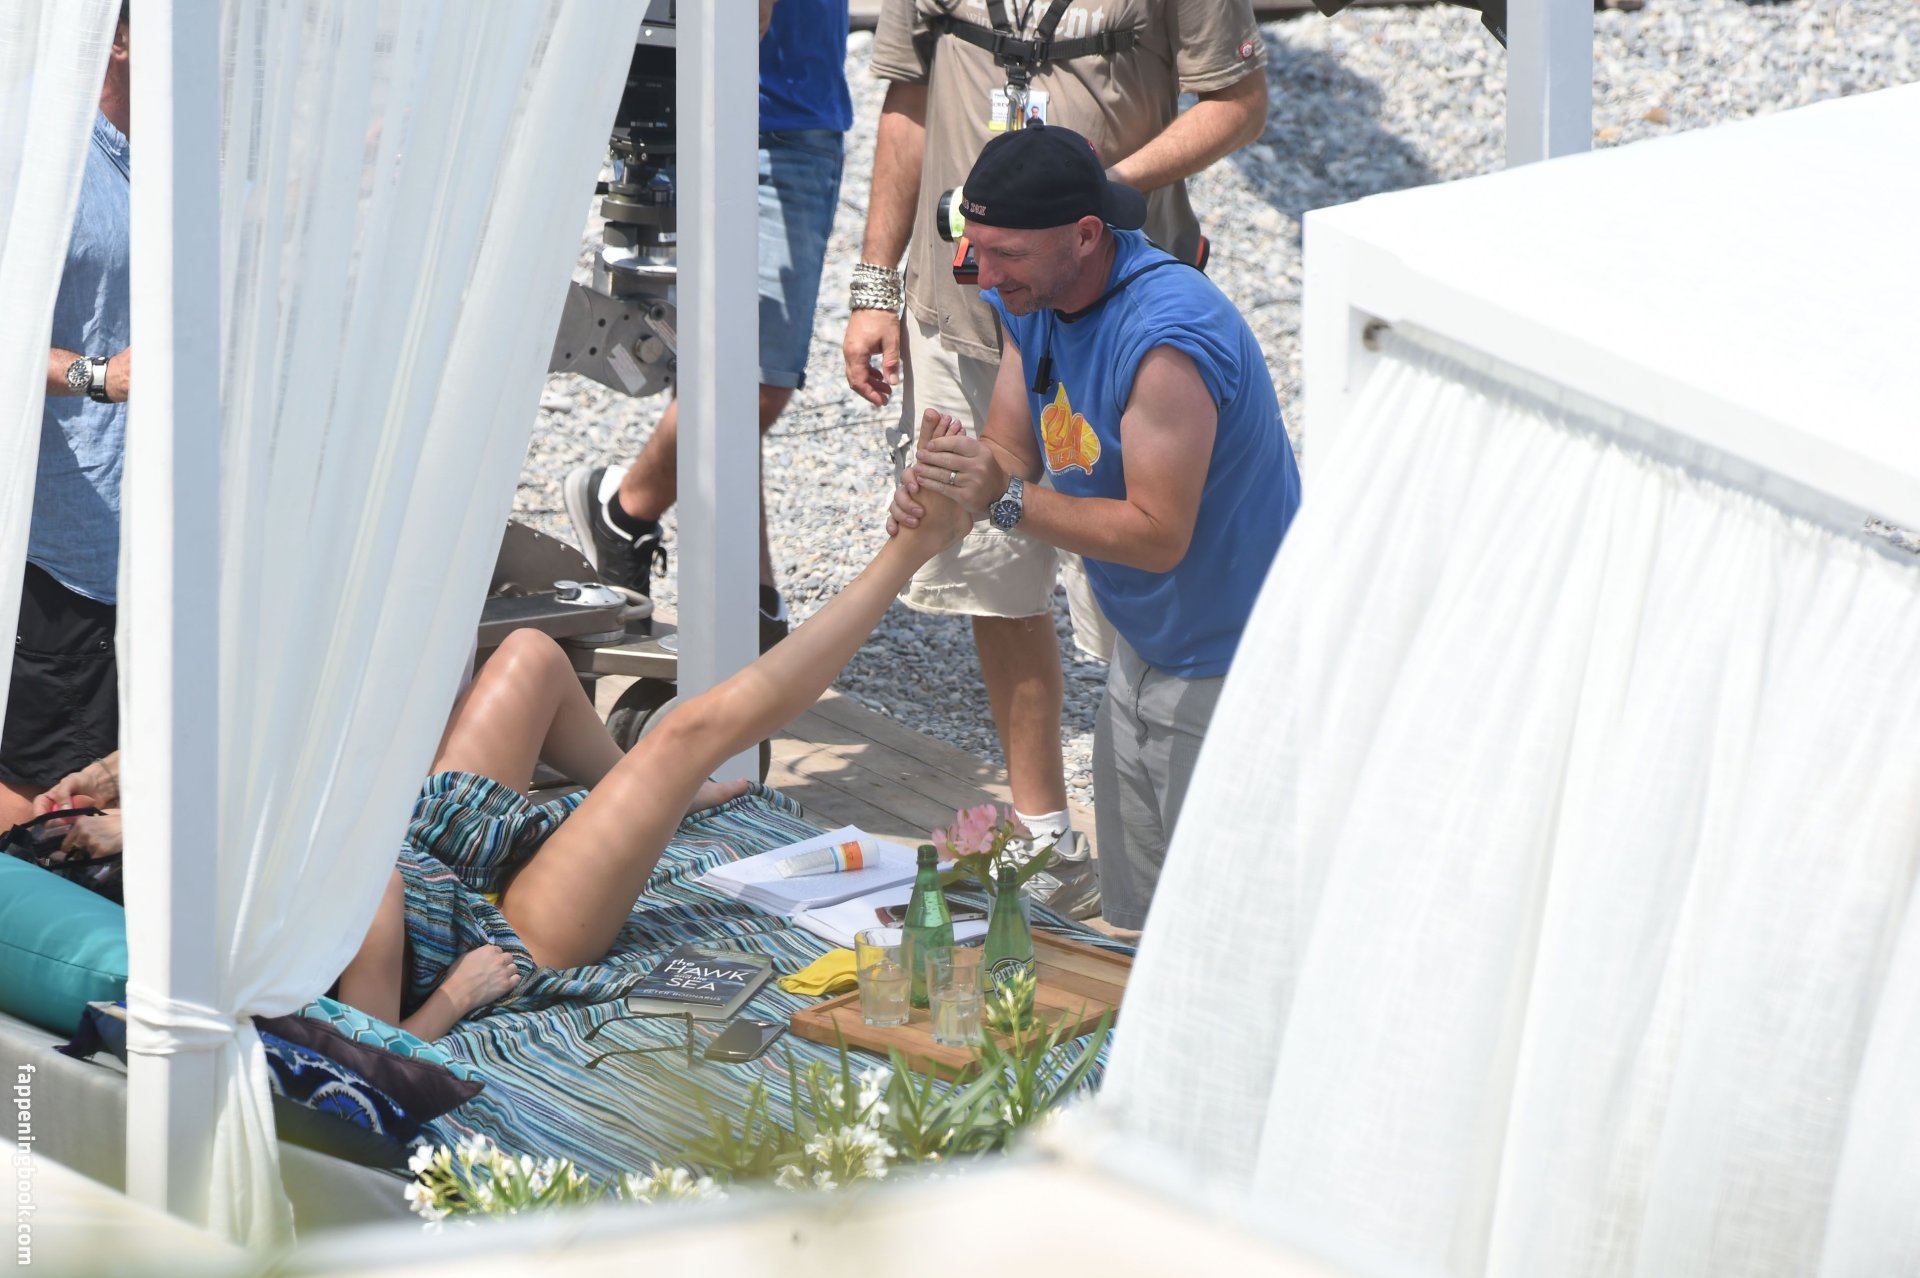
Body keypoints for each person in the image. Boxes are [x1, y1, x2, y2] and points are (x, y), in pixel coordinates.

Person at [37, 428, 973, 1038]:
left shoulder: (267, 839)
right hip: (508, 925)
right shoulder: (337, 900)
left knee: (529, 657)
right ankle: (904, 557)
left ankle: (650, 798)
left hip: (434, 838)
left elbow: (266, 746)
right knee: (690, 731)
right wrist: (457, 997)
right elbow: (373, 1052)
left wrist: (125, 773)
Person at [844, 0, 1270, 917]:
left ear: (1084, 234)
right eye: (975, 250)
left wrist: (1001, 503)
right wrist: (952, 482)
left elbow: (1156, 535)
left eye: (1004, 256)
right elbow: (1010, 450)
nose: (984, 277)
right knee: (1135, 918)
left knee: (1218, 925)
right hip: (1147, 658)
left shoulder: (1164, 344)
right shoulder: (1031, 297)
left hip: (1229, 666)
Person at [565, 0, 854, 651]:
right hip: (677, 93)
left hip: (791, 110)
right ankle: (747, 604)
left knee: (753, 380)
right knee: (712, 366)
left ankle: (626, 510)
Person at [1, 7, 133, 829]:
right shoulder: (43, 157)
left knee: (101, 786)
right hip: (65, 551)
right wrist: (99, 377)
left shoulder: (172, 164)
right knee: (41, 796)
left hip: (145, 549)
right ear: (116, 38)